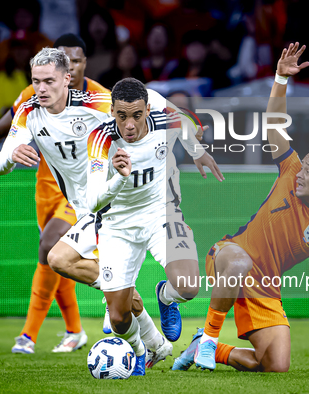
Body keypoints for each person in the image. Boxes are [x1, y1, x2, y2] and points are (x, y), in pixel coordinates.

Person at [173, 43, 309, 373]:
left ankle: (205, 347)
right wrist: (280, 79)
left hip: (265, 286)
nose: (302, 173)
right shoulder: (291, 170)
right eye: (304, 165)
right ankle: (210, 338)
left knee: (275, 365)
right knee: (240, 261)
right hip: (229, 254)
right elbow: (273, 127)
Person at [0, 48, 175, 369]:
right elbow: (0, 163)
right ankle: (154, 343)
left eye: (49, 81)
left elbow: (150, 103)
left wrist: (184, 121)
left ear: (67, 79)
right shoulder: (28, 110)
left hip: (117, 205)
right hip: (88, 211)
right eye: (36, 81)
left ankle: (146, 340)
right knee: (63, 262)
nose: (41, 89)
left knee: (67, 264)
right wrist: (11, 155)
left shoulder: (96, 103)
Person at [0, 35, 98, 354]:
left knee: (49, 246)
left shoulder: (99, 98)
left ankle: (28, 335)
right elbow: (0, 132)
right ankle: (75, 331)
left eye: (77, 60)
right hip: (46, 191)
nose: (71, 65)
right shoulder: (33, 98)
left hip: (82, 197)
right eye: (64, 60)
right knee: (55, 261)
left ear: (79, 68)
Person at [83, 77, 224, 375]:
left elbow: (186, 121)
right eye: (121, 116)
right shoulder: (100, 138)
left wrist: (197, 151)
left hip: (162, 213)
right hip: (116, 225)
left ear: (148, 109)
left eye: (136, 115)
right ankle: (139, 351)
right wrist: (119, 177)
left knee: (188, 287)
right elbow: (93, 201)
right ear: (112, 112)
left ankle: (165, 296)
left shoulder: (165, 119)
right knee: (119, 318)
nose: (129, 125)